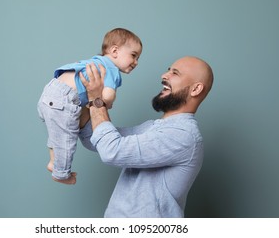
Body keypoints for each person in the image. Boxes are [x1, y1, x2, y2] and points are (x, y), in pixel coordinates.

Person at [78, 56, 213, 217]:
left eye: (175, 73)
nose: (164, 75)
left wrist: (96, 100)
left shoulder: (184, 135)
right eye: (168, 70)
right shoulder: (152, 127)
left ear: (196, 89)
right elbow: (93, 139)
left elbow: (111, 151)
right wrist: (82, 96)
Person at [37, 28, 143, 184]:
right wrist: (109, 102)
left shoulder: (96, 61)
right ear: (115, 51)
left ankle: (53, 161)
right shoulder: (111, 69)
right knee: (66, 140)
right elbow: (107, 95)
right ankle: (61, 174)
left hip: (51, 92)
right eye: (133, 56)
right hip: (65, 99)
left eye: (138, 58)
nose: (136, 62)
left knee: (59, 134)